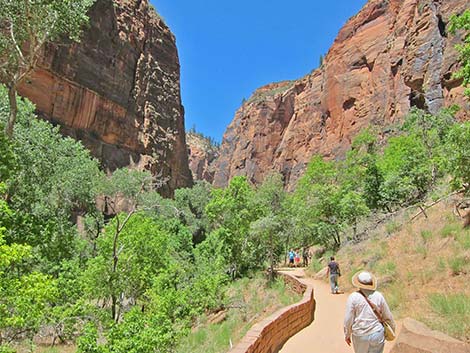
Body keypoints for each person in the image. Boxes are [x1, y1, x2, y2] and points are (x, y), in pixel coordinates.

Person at [344, 271, 395, 353]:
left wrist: (347, 334)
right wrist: (392, 329)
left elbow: (348, 319)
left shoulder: (353, 297)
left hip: (360, 334)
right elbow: (387, 315)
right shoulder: (379, 296)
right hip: (377, 332)